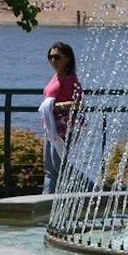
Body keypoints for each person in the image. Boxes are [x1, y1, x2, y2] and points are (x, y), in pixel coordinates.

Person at [39, 41, 83, 195]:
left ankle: (90, 190)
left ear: (68, 59)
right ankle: (47, 200)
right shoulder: (55, 77)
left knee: (59, 165)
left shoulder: (71, 80)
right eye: (50, 57)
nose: (53, 61)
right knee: (50, 166)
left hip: (64, 129)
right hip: (51, 126)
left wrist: (55, 107)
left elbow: (79, 104)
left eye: (57, 57)